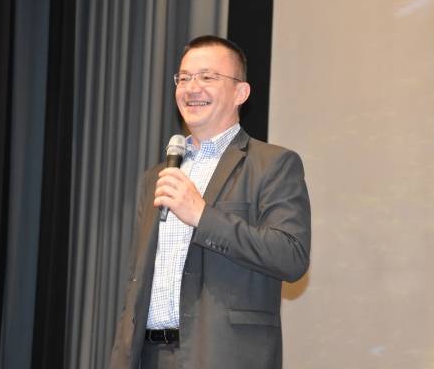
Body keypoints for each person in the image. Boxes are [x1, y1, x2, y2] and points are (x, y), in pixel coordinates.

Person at [110, 35, 311, 369]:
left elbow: (291, 256)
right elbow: (137, 281)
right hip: (148, 356)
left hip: (223, 355)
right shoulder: (157, 175)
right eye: (184, 78)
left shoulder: (272, 164)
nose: (192, 88)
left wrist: (202, 215)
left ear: (240, 93)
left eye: (207, 77)